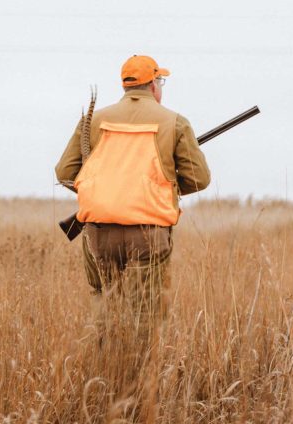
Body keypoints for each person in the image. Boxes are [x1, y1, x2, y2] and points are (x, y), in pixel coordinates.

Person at [55, 55, 211, 356]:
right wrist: (167, 184)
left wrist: (103, 189)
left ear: (126, 86)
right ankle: (139, 387)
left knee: (104, 305)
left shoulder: (95, 119)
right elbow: (199, 178)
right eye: (160, 81)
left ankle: (103, 374)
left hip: (97, 235)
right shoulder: (174, 122)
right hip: (148, 235)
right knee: (146, 317)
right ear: (153, 84)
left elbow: (64, 172)